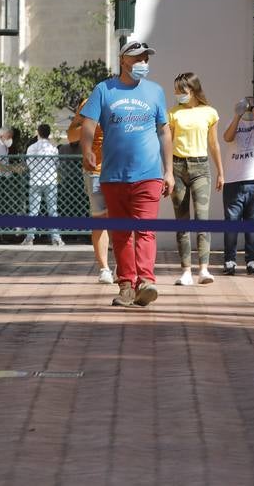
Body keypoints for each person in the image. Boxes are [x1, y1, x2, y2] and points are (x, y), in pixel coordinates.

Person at [80, 38, 174, 308]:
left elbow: (164, 132)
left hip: (149, 175)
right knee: (120, 234)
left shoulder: (155, 92)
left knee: (146, 231)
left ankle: (146, 281)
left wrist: (168, 171)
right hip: (112, 175)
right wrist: (87, 149)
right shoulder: (104, 90)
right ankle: (126, 287)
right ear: (123, 60)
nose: (143, 63)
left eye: (146, 58)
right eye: (137, 58)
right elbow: (88, 123)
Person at [169, 72, 224, 286]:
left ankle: (204, 270)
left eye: (180, 90)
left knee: (202, 218)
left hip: (201, 167)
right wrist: (166, 172)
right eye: (175, 90)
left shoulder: (209, 113)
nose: (177, 94)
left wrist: (221, 172)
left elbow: (214, 144)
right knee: (181, 222)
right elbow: (167, 143)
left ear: (192, 90)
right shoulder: (173, 113)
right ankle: (185, 271)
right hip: (177, 167)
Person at [222, 95, 254, 276]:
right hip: (233, 181)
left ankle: (251, 261)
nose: (248, 109)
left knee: (252, 223)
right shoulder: (233, 122)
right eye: (246, 106)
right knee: (231, 224)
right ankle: (230, 261)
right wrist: (237, 115)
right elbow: (227, 137)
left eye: (250, 107)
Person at [67, 99, 113, 285]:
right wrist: (89, 126)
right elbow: (71, 135)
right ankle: (104, 269)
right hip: (96, 171)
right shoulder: (89, 102)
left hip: (123, 172)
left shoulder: (130, 103)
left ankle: (124, 267)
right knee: (100, 220)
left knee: (123, 220)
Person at [23, 124, 65, 246]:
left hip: (35, 181)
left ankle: (30, 237)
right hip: (50, 181)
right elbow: (57, 165)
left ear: (38, 133)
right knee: (52, 210)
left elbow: (29, 164)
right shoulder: (54, 149)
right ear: (49, 133)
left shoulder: (31, 148)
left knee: (33, 210)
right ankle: (56, 238)